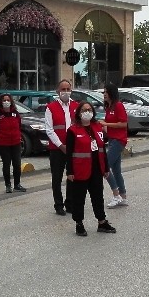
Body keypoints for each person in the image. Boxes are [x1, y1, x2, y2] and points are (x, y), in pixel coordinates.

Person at [65, 101, 116, 236]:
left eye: (89, 109)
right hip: (80, 170)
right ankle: (79, 223)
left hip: (96, 168)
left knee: (98, 197)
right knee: (79, 198)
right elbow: (69, 153)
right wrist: (69, 171)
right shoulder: (73, 130)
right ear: (79, 113)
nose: (87, 112)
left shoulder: (97, 127)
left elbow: (102, 149)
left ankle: (102, 222)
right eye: (84, 110)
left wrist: (106, 168)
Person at [45, 80, 78, 215]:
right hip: (57, 149)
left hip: (73, 148)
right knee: (57, 178)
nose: (65, 92)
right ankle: (58, 205)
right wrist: (60, 145)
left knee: (72, 176)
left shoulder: (76, 106)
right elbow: (49, 130)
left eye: (68, 89)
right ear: (57, 91)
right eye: (63, 89)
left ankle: (70, 203)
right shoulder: (50, 107)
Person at [100, 84, 129, 207]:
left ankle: (116, 195)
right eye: (104, 92)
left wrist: (106, 124)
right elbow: (109, 126)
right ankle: (123, 196)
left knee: (104, 167)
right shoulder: (109, 107)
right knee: (116, 170)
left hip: (119, 140)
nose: (104, 94)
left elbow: (123, 124)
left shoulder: (118, 105)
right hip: (112, 140)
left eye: (106, 92)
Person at [0, 93, 25, 193]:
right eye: (4, 100)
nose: (6, 102)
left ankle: (17, 184)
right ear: (1, 102)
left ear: (11, 101)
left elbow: (19, 125)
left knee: (17, 164)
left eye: (8, 100)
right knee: (6, 164)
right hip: (3, 143)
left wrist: (18, 137)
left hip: (16, 142)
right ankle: (8, 185)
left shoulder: (15, 113)